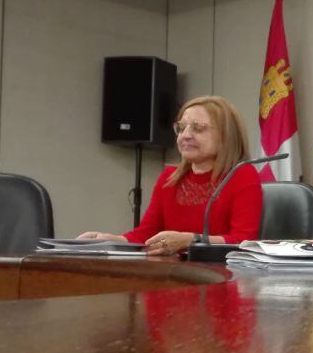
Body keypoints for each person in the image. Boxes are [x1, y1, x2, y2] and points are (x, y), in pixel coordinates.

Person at [78, 95, 263, 256]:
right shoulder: (169, 177)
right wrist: (108, 240)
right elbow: (146, 234)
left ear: (226, 137)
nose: (186, 136)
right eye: (181, 128)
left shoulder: (242, 175)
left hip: (221, 282)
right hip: (170, 277)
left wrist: (191, 240)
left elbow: (243, 241)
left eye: (198, 128)